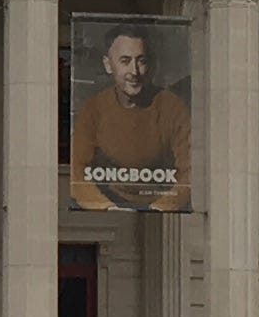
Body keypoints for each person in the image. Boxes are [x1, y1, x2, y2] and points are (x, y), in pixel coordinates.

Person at [68, 29, 193, 211]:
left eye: (141, 61)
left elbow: (189, 172)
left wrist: (161, 207)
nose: (134, 71)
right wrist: (107, 207)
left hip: (162, 208)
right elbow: (77, 171)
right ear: (108, 65)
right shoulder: (94, 109)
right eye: (125, 61)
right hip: (108, 206)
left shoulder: (172, 108)